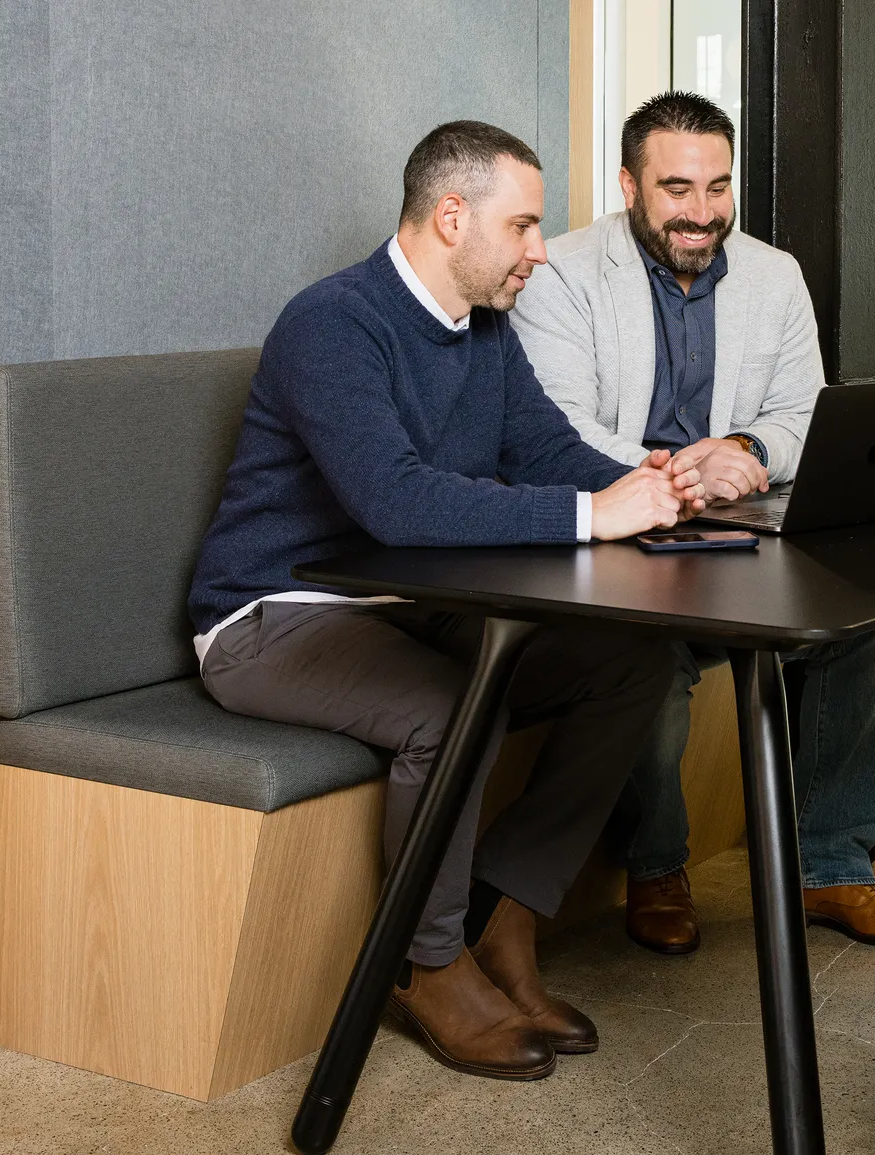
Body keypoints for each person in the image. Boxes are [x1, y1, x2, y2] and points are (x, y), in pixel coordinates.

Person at [187, 121, 708, 1082]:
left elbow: (548, 456)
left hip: (403, 604)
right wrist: (596, 516)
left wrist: (659, 494)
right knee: (449, 707)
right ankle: (425, 965)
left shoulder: (486, 333)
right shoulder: (332, 324)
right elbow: (393, 499)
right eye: (523, 227)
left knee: (630, 661)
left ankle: (506, 918)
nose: (539, 252)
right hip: (273, 617)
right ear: (452, 215)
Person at [510, 92, 875, 955]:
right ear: (629, 185)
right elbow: (558, 429)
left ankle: (831, 867)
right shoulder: (556, 274)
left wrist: (743, 445)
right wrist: (677, 474)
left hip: (739, 520)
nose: (702, 213)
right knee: (646, 654)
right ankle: (657, 863)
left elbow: (802, 416)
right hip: (625, 526)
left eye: (717, 187)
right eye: (676, 189)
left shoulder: (774, 274)